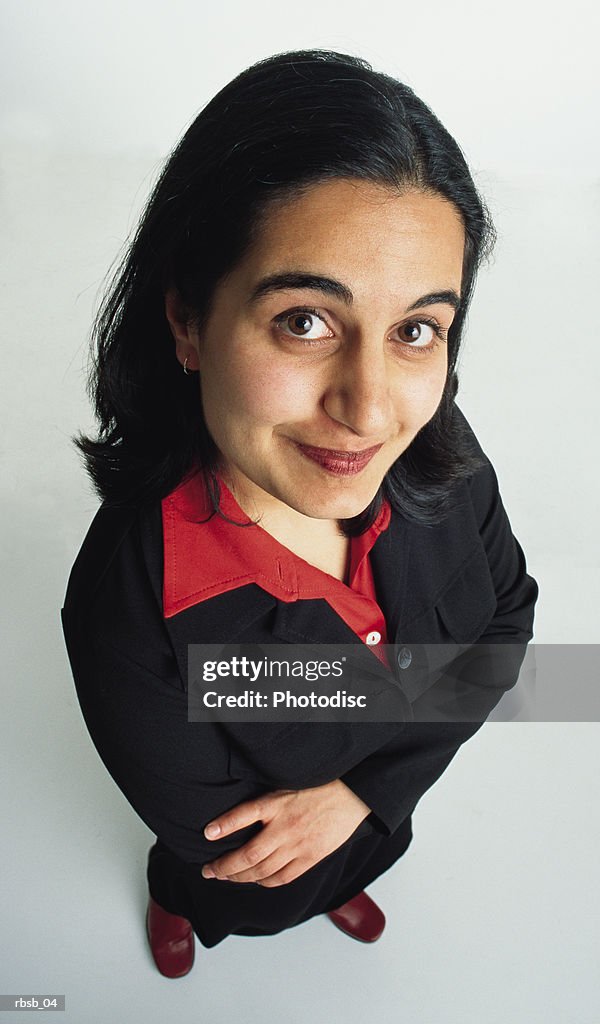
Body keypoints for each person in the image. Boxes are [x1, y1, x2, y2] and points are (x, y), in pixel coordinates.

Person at [61, 49, 538, 978]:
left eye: (415, 330)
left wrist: (363, 793)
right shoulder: (128, 614)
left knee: (338, 850)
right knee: (226, 882)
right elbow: (220, 832)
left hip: (371, 822)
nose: (369, 410)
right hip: (240, 876)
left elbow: (520, 641)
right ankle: (173, 906)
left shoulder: (438, 446)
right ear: (189, 321)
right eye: (304, 319)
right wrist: (425, 701)